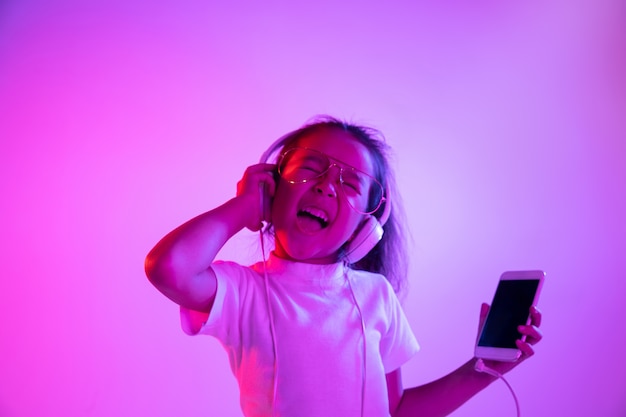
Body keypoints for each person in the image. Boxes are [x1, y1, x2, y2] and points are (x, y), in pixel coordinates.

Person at [144, 115, 543, 417]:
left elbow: (396, 410)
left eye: (350, 183)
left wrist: (482, 370)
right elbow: (169, 268)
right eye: (310, 168)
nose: (326, 186)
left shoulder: (376, 296)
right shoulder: (243, 291)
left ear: (367, 224)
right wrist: (244, 207)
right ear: (274, 185)